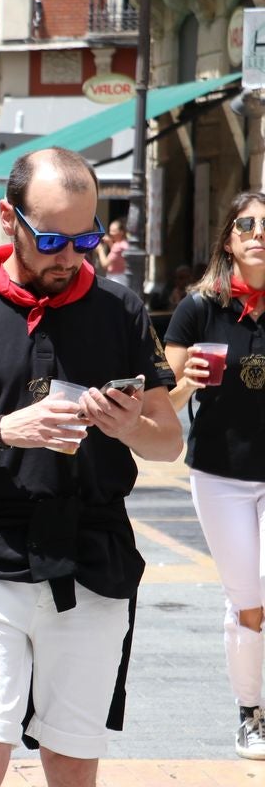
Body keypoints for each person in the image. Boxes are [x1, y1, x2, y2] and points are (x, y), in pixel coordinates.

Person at [0, 147, 182, 787]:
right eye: (52, 238)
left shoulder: (121, 310)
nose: (69, 257)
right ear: (8, 218)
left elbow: (169, 443)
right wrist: (4, 431)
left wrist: (128, 426)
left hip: (92, 550)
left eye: (84, 238)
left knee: (72, 760)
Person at [164, 191, 265, 760]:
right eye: (245, 224)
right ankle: (251, 712)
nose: (257, 233)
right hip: (220, 473)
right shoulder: (199, 308)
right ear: (228, 238)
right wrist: (191, 383)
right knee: (246, 600)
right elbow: (164, 404)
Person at [97, 216, 130, 287]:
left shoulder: (118, 247)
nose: (110, 233)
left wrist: (100, 250)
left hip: (115, 279)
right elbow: (116, 257)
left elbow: (105, 264)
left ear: (121, 232)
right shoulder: (124, 244)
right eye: (110, 230)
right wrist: (110, 243)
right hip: (122, 277)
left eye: (114, 231)